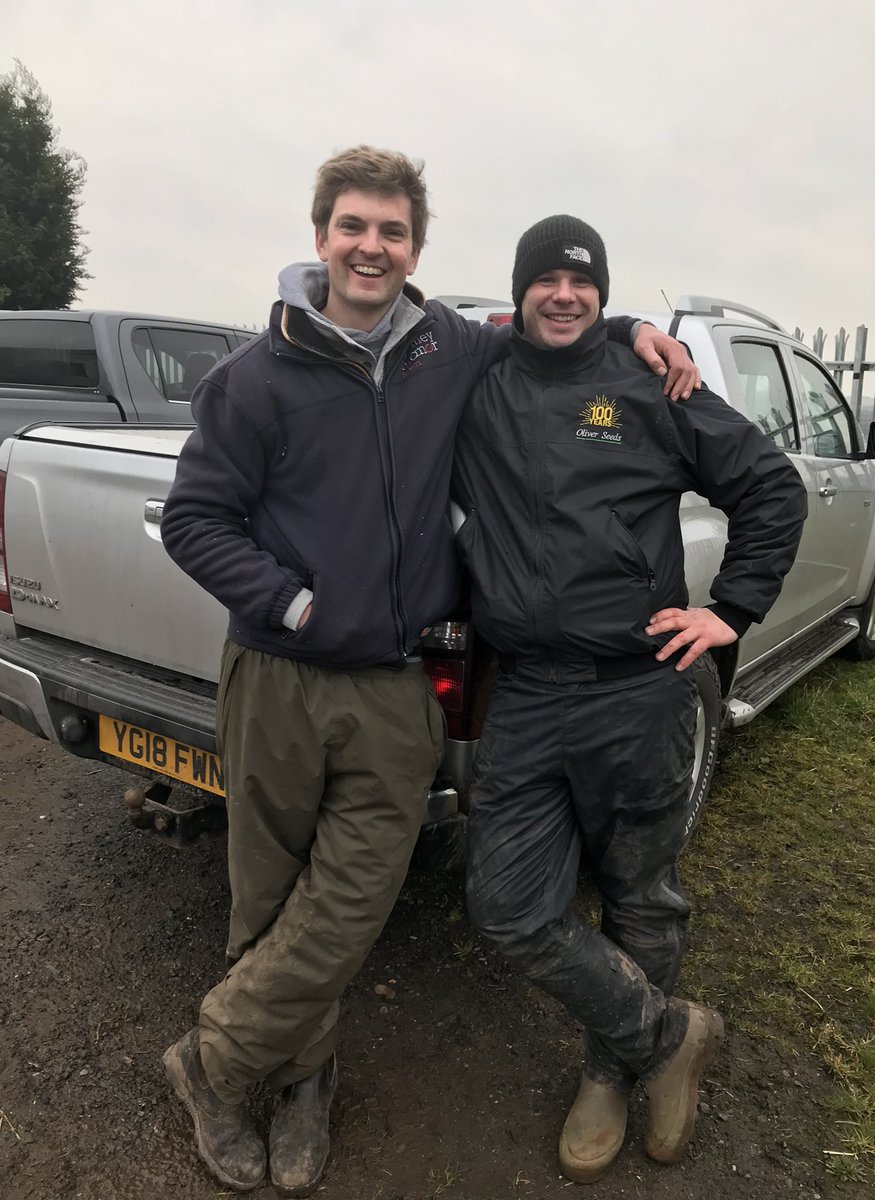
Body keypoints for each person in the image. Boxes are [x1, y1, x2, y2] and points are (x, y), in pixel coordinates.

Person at [158, 150, 700, 1196]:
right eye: (353, 225)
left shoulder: (448, 348)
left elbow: (557, 313)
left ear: (415, 250)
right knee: (269, 899)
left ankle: (213, 1063)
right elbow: (195, 520)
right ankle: (298, 1081)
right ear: (319, 236)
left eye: (393, 232)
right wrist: (295, 601)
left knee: (352, 900)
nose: (372, 246)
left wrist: (633, 324)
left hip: (397, 688)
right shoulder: (252, 379)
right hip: (277, 674)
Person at [453, 215, 808, 1183]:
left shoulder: (655, 382)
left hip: (635, 692)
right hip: (525, 693)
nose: (563, 295)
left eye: (583, 283)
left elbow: (771, 489)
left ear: (603, 295)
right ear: (518, 291)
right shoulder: (477, 378)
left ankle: (612, 1069)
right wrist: (628, 324)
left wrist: (732, 610)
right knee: (507, 907)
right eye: (546, 281)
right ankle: (667, 1034)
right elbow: (372, 302)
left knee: (639, 895)